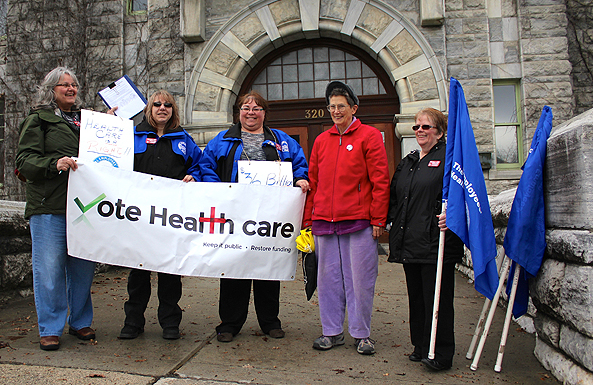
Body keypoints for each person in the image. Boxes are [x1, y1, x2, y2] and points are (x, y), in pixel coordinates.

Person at [199, 90, 309, 343]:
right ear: (238, 113)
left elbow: (299, 163)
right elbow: (207, 166)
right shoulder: (223, 140)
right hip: (234, 215)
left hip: (270, 216)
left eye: (256, 108)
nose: (251, 112)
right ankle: (229, 323)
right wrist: (217, 189)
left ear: (264, 113)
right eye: (246, 108)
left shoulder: (281, 140)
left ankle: (270, 322)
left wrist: (301, 177)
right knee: (233, 267)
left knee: (268, 268)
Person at [302, 81, 390, 356]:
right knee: (328, 280)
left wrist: (378, 219)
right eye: (332, 106)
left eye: (341, 106)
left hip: (359, 222)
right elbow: (313, 182)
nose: (336, 111)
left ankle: (361, 334)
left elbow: (380, 180)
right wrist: (308, 220)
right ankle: (331, 332)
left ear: (353, 108)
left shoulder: (370, 136)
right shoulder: (321, 140)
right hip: (324, 224)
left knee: (360, 280)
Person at [16, 67, 96, 351]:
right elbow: (24, 161)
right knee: (49, 269)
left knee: (83, 267)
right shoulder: (39, 119)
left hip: (85, 206)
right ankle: (50, 327)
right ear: (51, 89)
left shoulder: (87, 120)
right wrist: (54, 164)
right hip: (48, 205)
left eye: (74, 84)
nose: (71, 89)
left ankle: (80, 321)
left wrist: (112, 130)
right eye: (65, 85)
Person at [116, 90, 203, 340]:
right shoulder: (132, 136)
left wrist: (194, 175)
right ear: (149, 109)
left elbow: (199, 164)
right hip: (138, 217)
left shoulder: (183, 139)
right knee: (138, 273)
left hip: (170, 217)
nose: (162, 108)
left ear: (173, 110)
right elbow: (113, 163)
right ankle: (133, 322)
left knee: (169, 272)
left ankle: (170, 323)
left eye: (167, 105)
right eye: (157, 104)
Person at [386, 108, 464, 371]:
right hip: (410, 242)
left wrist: (452, 217)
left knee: (438, 300)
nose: (419, 131)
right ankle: (420, 346)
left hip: (436, 243)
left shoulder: (450, 160)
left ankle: (440, 353)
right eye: (417, 127)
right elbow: (396, 199)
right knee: (417, 298)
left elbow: (462, 197)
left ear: (440, 132)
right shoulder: (408, 162)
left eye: (426, 127)